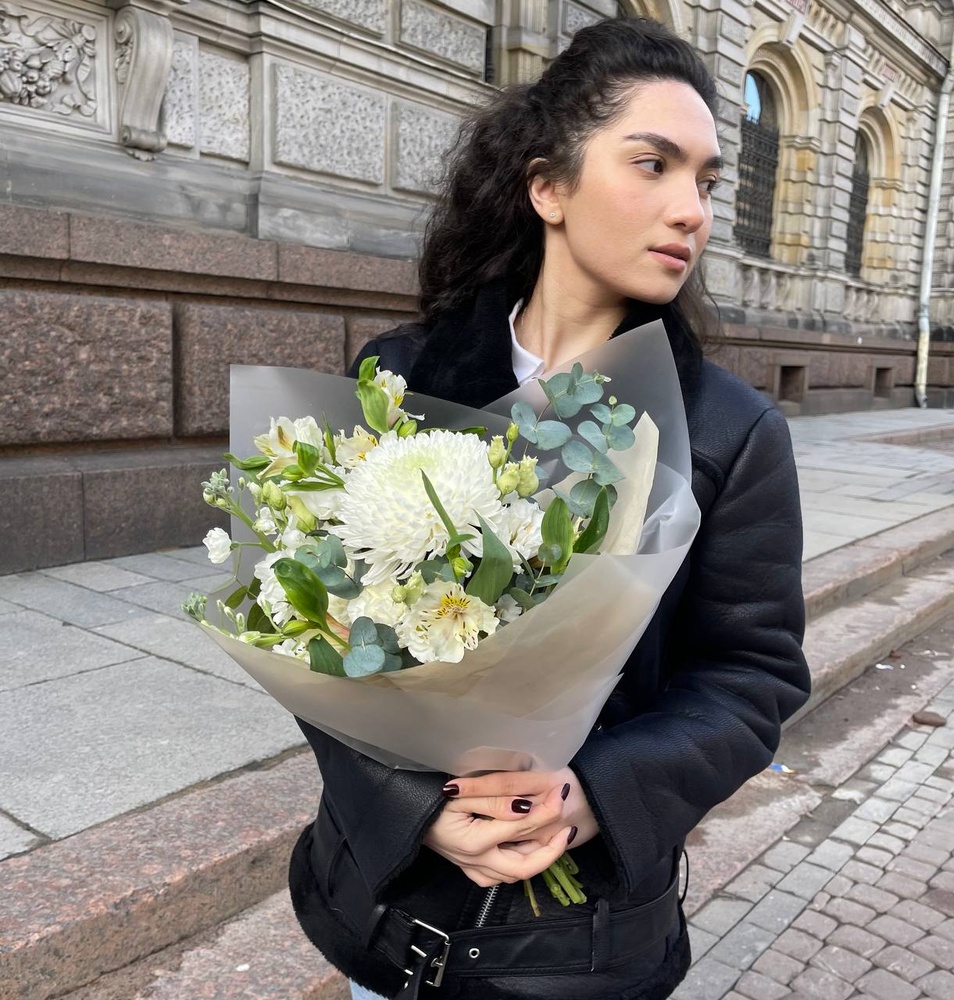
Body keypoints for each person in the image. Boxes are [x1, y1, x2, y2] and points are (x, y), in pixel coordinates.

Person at [288, 16, 811, 1000]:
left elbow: (752, 678)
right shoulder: (400, 375)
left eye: (704, 181)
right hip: (385, 907)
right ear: (547, 186)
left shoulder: (724, 432)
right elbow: (318, 631)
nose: (690, 209)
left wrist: (588, 799)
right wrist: (411, 805)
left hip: (575, 945)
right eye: (652, 164)